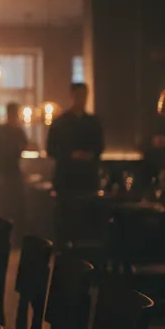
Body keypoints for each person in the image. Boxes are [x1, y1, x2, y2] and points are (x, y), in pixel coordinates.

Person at [46, 82, 104, 246]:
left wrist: (89, 155)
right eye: (78, 95)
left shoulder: (93, 122)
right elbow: (51, 149)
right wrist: (70, 156)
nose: (81, 99)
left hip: (87, 178)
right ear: (72, 96)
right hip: (67, 178)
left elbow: (100, 147)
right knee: (65, 219)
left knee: (86, 220)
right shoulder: (60, 123)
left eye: (84, 96)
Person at [0, 102, 28, 229]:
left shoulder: (18, 131)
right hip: (2, 171)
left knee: (14, 203)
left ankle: (12, 233)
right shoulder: (1, 131)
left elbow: (24, 146)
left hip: (12, 171)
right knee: (3, 204)